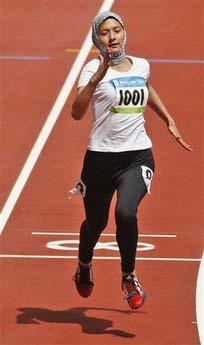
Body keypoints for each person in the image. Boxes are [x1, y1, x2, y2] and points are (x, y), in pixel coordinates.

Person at [70, 11, 193, 309]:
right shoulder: (91, 69)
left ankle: (128, 276)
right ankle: (84, 265)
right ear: (96, 38)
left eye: (116, 30)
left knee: (126, 213)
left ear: (125, 32)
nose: (111, 37)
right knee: (96, 223)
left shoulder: (141, 65)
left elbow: (145, 88)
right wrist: (97, 77)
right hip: (100, 160)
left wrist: (168, 119)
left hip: (137, 156)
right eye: (104, 32)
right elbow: (76, 112)